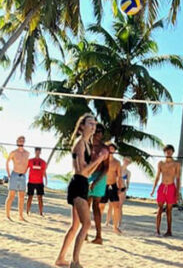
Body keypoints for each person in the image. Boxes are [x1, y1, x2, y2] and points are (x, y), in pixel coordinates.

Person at [55, 113, 109, 268]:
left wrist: (97, 160)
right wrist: (99, 159)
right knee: (86, 224)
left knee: (75, 225)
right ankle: (75, 261)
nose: (93, 126)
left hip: (82, 183)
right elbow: (81, 170)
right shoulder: (80, 144)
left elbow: (88, 172)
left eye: (94, 123)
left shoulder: (87, 144)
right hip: (78, 184)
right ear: (82, 126)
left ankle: (60, 258)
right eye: (90, 123)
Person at [150, 144, 181, 237]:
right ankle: (157, 230)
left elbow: (178, 178)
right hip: (162, 187)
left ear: (172, 152)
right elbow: (157, 176)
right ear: (164, 152)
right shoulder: (161, 163)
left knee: (169, 210)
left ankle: (169, 230)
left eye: (170, 151)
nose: (168, 152)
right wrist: (153, 189)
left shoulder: (176, 164)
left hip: (171, 187)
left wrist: (177, 192)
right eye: (167, 151)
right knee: (159, 209)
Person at [86, 123, 109, 244]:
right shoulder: (87, 145)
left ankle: (99, 236)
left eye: (100, 132)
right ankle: (84, 232)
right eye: (96, 131)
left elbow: (106, 168)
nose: (97, 134)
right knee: (85, 205)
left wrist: (96, 181)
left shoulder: (104, 148)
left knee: (96, 206)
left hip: (99, 176)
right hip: (88, 175)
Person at [5, 135, 30, 221]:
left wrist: (25, 172)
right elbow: (7, 162)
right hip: (14, 174)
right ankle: (7, 215)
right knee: (11, 195)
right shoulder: (13, 152)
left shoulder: (27, 153)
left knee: (22, 196)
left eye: (22, 140)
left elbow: (27, 164)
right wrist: (8, 174)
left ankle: (20, 216)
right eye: (19, 140)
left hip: (22, 176)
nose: (21, 141)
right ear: (17, 141)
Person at [102, 142, 123, 234]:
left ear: (114, 150)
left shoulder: (117, 162)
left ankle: (115, 227)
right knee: (101, 207)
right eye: (109, 148)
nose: (111, 150)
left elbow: (119, 176)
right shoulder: (102, 160)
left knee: (117, 207)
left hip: (113, 185)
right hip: (103, 185)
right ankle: (98, 225)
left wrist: (119, 187)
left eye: (112, 149)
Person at [107, 156, 131, 229]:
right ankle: (107, 222)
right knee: (110, 205)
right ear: (123, 160)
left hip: (122, 189)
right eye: (126, 160)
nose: (126, 162)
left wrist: (126, 188)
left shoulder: (128, 172)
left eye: (128, 162)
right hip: (114, 187)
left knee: (119, 207)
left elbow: (128, 182)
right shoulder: (117, 166)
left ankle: (119, 223)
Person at [26, 147, 48, 216]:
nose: (38, 153)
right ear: (35, 152)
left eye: (39, 152)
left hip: (39, 182)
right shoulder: (30, 161)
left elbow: (44, 172)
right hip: (31, 182)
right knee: (30, 197)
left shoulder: (43, 162)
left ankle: (41, 212)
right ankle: (27, 211)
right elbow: (25, 169)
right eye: (36, 151)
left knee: (40, 198)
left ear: (40, 152)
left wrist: (46, 179)